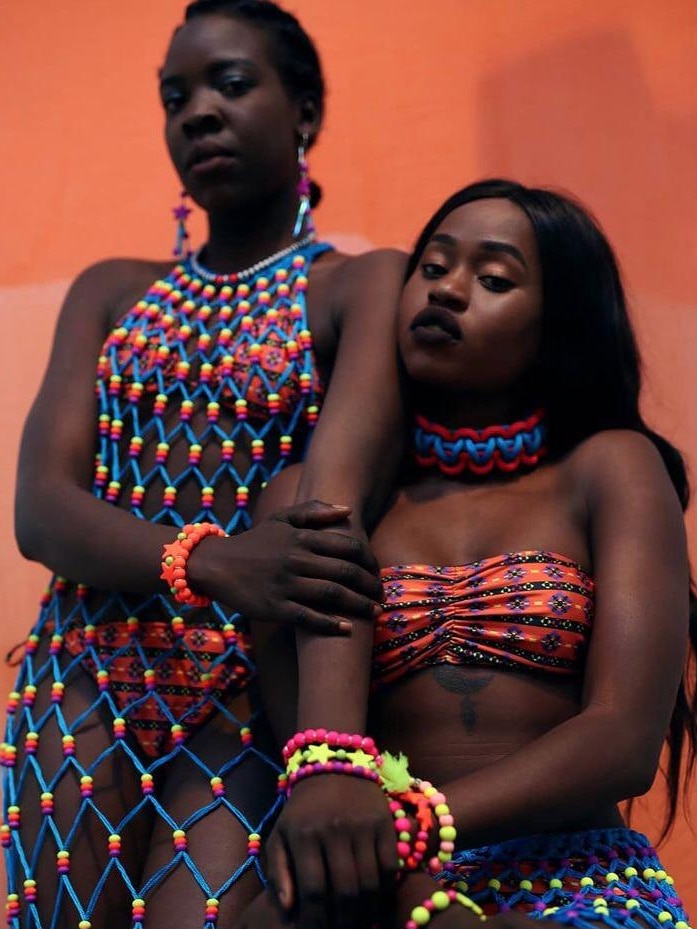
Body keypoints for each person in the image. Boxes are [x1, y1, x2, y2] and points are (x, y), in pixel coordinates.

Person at [1, 2, 407, 927]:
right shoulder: (111, 292)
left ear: (304, 111)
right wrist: (215, 561)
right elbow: (41, 508)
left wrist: (329, 745)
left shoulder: (360, 283)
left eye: (230, 84)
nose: (197, 114)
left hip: (243, 691)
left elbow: (332, 508)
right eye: (174, 97)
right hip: (82, 681)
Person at [245, 179, 696, 929]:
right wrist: (399, 876)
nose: (448, 292)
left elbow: (622, 738)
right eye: (431, 268)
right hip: (380, 893)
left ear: (558, 324)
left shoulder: (610, 467)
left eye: (492, 279)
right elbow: (315, 757)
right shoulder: (311, 496)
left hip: (579, 882)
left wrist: (412, 828)